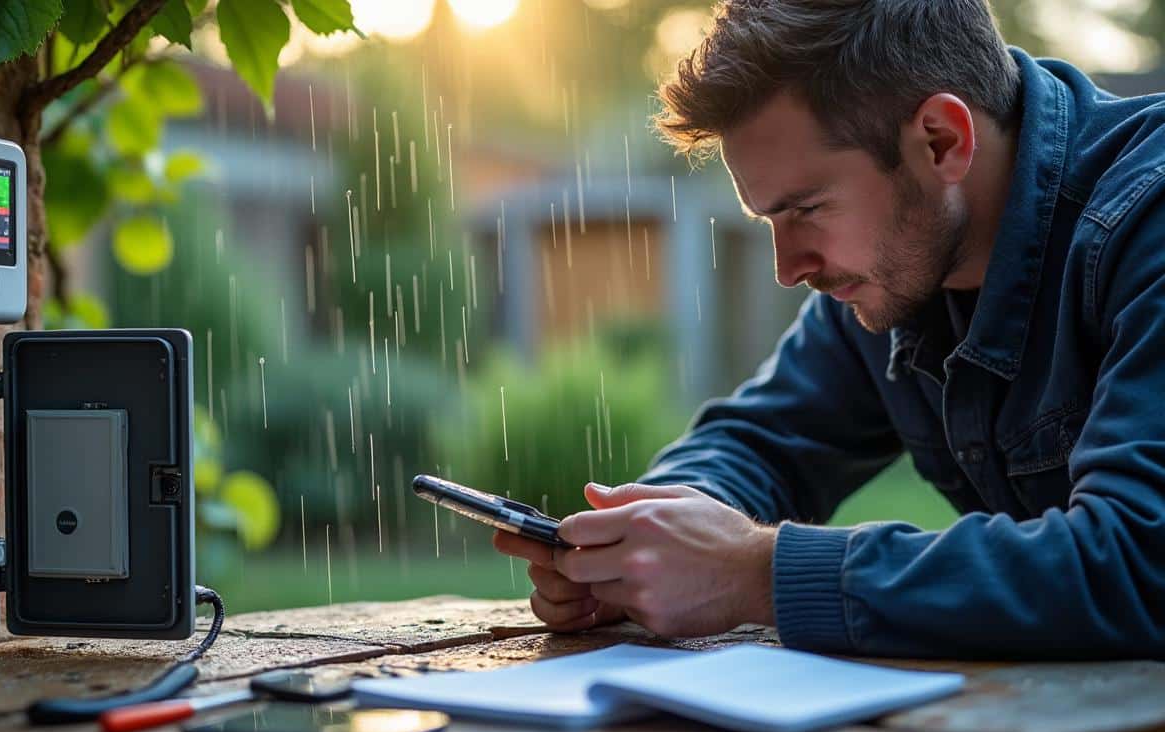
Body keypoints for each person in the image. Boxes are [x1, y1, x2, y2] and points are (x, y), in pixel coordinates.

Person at [495, 0, 1165, 658]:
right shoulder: (902, 263)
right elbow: (764, 440)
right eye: (769, 221)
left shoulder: (1146, 220)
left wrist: (755, 572)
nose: (789, 269)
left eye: (807, 209)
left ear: (942, 141)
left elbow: (1139, 561)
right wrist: (651, 542)